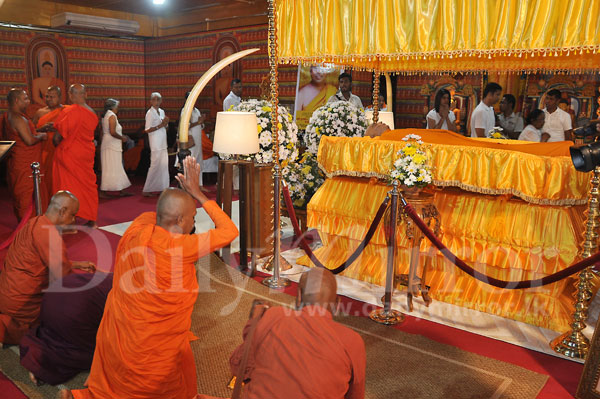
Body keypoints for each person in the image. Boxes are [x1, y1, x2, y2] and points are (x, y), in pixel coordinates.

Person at [63, 156, 238, 399]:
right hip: (156, 337)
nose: (194, 223)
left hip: (124, 325)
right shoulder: (183, 246)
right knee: (159, 384)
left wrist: (182, 196)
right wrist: (198, 194)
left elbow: (161, 213)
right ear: (179, 220)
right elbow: (230, 231)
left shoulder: (138, 227)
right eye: (192, 218)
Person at [228, 268, 366, 399]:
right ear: (336, 305)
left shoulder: (273, 316)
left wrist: (254, 321)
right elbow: (355, 395)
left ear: (299, 296)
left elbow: (237, 366)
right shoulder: (352, 341)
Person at [0, 191, 95, 346]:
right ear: (62, 211)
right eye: (73, 215)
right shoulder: (50, 235)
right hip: (21, 306)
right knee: (77, 319)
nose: (73, 221)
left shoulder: (35, 222)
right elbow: (65, 281)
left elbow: (39, 262)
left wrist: (76, 264)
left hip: (6, 294)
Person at [20, 272, 113, 386]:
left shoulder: (113, 277)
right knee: (105, 354)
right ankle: (43, 367)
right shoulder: (130, 298)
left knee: (51, 334)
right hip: (75, 312)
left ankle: (37, 356)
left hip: (55, 292)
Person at [4, 88, 47, 220]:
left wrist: (39, 130)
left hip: (17, 160)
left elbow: (22, 134)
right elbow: (29, 140)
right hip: (25, 163)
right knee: (26, 196)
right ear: (16, 100)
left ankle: (30, 224)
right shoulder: (18, 118)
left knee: (24, 195)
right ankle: (28, 228)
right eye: (25, 99)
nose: (28, 102)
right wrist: (41, 136)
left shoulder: (9, 115)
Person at [33, 86, 64, 199]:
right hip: (45, 150)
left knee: (61, 177)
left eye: (52, 97)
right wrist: (43, 128)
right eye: (47, 96)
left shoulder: (66, 110)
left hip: (62, 150)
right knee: (47, 177)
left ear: (60, 97)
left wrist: (59, 129)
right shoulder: (40, 112)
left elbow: (73, 129)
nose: (49, 99)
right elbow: (32, 131)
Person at [99, 98, 132, 198]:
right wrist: (122, 138)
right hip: (111, 145)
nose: (118, 108)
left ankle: (120, 189)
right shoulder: (112, 116)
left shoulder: (107, 115)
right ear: (113, 107)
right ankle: (104, 191)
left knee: (115, 166)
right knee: (110, 167)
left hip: (110, 144)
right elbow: (112, 132)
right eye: (117, 106)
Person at [142, 92, 170, 196]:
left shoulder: (162, 111)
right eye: (154, 99)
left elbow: (164, 128)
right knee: (154, 165)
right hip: (155, 144)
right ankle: (147, 189)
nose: (156, 102)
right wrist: (161, 125)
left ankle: (164, 188)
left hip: (163, 142)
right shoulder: (150, 113)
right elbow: (147, 129)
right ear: (151, 101)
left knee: (163, 166)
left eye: (158, 99)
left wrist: (165, 124)